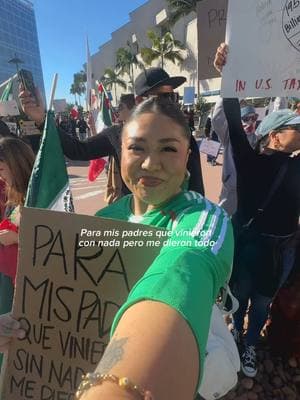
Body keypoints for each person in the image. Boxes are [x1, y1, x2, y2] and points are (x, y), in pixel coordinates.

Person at [2, 98, 233, 399]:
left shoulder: (204, 220)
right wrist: (27, 325)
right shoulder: (106, 220)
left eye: (168, 148)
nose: (150, 163)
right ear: (120, 151)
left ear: (187, 155)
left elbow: (183, 268)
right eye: (137, 148)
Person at [214, 43, 300, 378]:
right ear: (275, 136)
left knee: (262, 304)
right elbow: (234, 123)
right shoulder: (249, 161)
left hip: (280, 252)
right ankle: (237, 331)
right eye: (296, 126)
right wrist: (228, 72)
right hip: (249, 247)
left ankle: (250, 343)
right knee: (241, 297)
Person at [19, 68, 205, 197]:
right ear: (139, 100)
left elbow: (196, 188)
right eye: (162, 97)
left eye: (172, 96)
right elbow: (78, 150)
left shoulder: (182, 136)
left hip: (176, 224)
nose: (170, 104)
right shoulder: (117, 134)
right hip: (134, 226)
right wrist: (42, 119)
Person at [0, 137, 35, 369]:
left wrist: (16, 238)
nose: (0, 176)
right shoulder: (13, 197)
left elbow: (54, 241)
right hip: (10, 279)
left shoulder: (37, 196)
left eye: (2, 169)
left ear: (15, 164)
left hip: (26, 287)